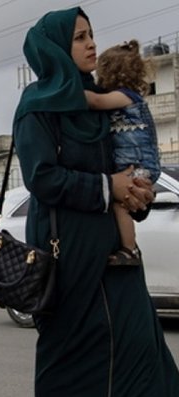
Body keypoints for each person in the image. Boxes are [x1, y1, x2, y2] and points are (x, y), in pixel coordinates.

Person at [12, 7, 179, 397]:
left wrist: (139, 194)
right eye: (79, 37)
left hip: (121, 271)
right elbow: (43, 178)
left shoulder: (107, 101)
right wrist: (110, 187)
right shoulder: (37, 106)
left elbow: (130, 163)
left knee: (157, 392)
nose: (90, 44)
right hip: (69, 272)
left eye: (92, 35)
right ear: (54, 48)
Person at [85, 39, 160, 266]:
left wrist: (70, 91)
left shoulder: (126, 97)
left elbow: (96, 101)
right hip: (133, 164)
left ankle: (129, 249)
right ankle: (129, 248)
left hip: (140, 165)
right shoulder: (125, 98)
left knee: (120, 203)